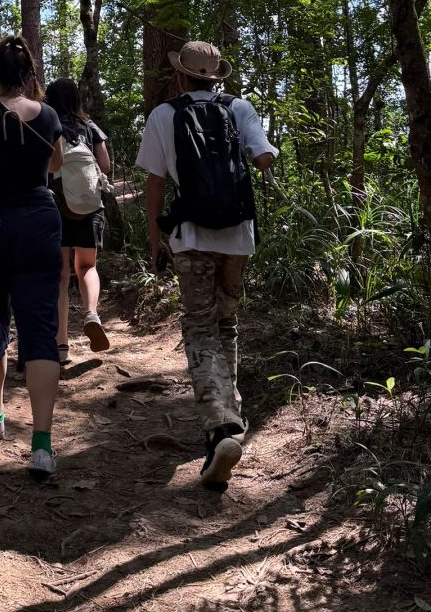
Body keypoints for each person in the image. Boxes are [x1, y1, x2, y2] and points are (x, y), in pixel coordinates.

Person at [135, 41, 277, 493]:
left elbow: (154, 183)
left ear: (181, 76)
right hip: (238, 236)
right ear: (217, 77)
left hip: (191, 236)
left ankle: (219, 427)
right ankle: (232, 418)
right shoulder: (240, 108)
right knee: (227, 324)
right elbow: (263, 156)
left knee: (199, 327)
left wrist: (156, 240)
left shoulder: (163, 115)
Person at [0, 35, 64, 476]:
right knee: (40, 326)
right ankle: (42, 445)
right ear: (28, 75)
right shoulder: (50, 114)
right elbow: (56, 164)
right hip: (42, 220)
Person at [45, 78, 113, 361]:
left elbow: (47, 167)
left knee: (60, 275)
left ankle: (61, 346)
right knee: (87, 266)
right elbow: (106, 166)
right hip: (90, 207)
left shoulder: (47, 124)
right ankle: (92, 313)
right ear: (76, 100)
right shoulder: (90, 127)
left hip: (57, 204)